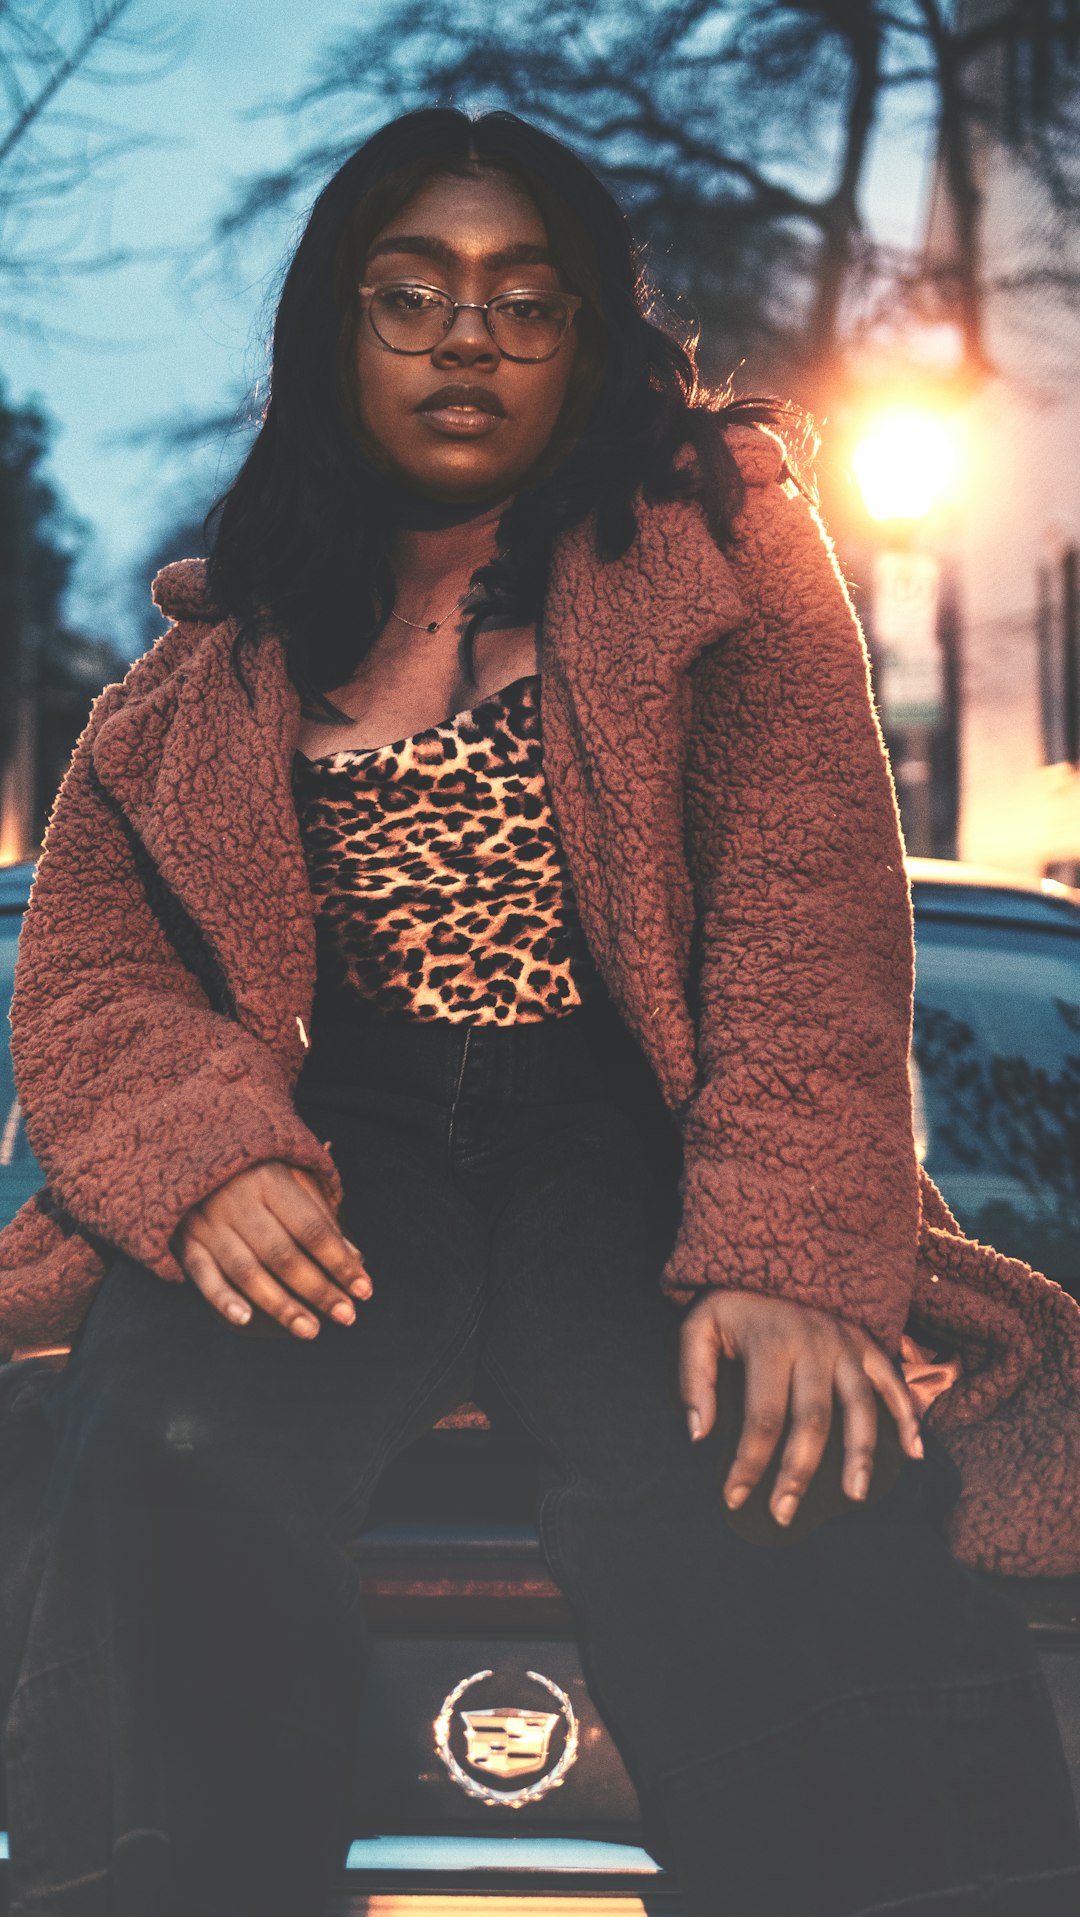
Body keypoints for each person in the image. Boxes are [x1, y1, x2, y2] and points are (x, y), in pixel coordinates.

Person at [3, 105, 1079, 1917]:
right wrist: (202, 1155)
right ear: (336, 335)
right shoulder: (212, 662)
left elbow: (809, 897)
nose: (466, 335)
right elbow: (94, 971)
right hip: (345, 1153)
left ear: (584, 336)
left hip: (633, 1137)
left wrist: (793, 1246)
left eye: (525, 295)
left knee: (763, 1443)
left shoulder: (708, 541)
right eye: (409, 292)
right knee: (173, 1422)